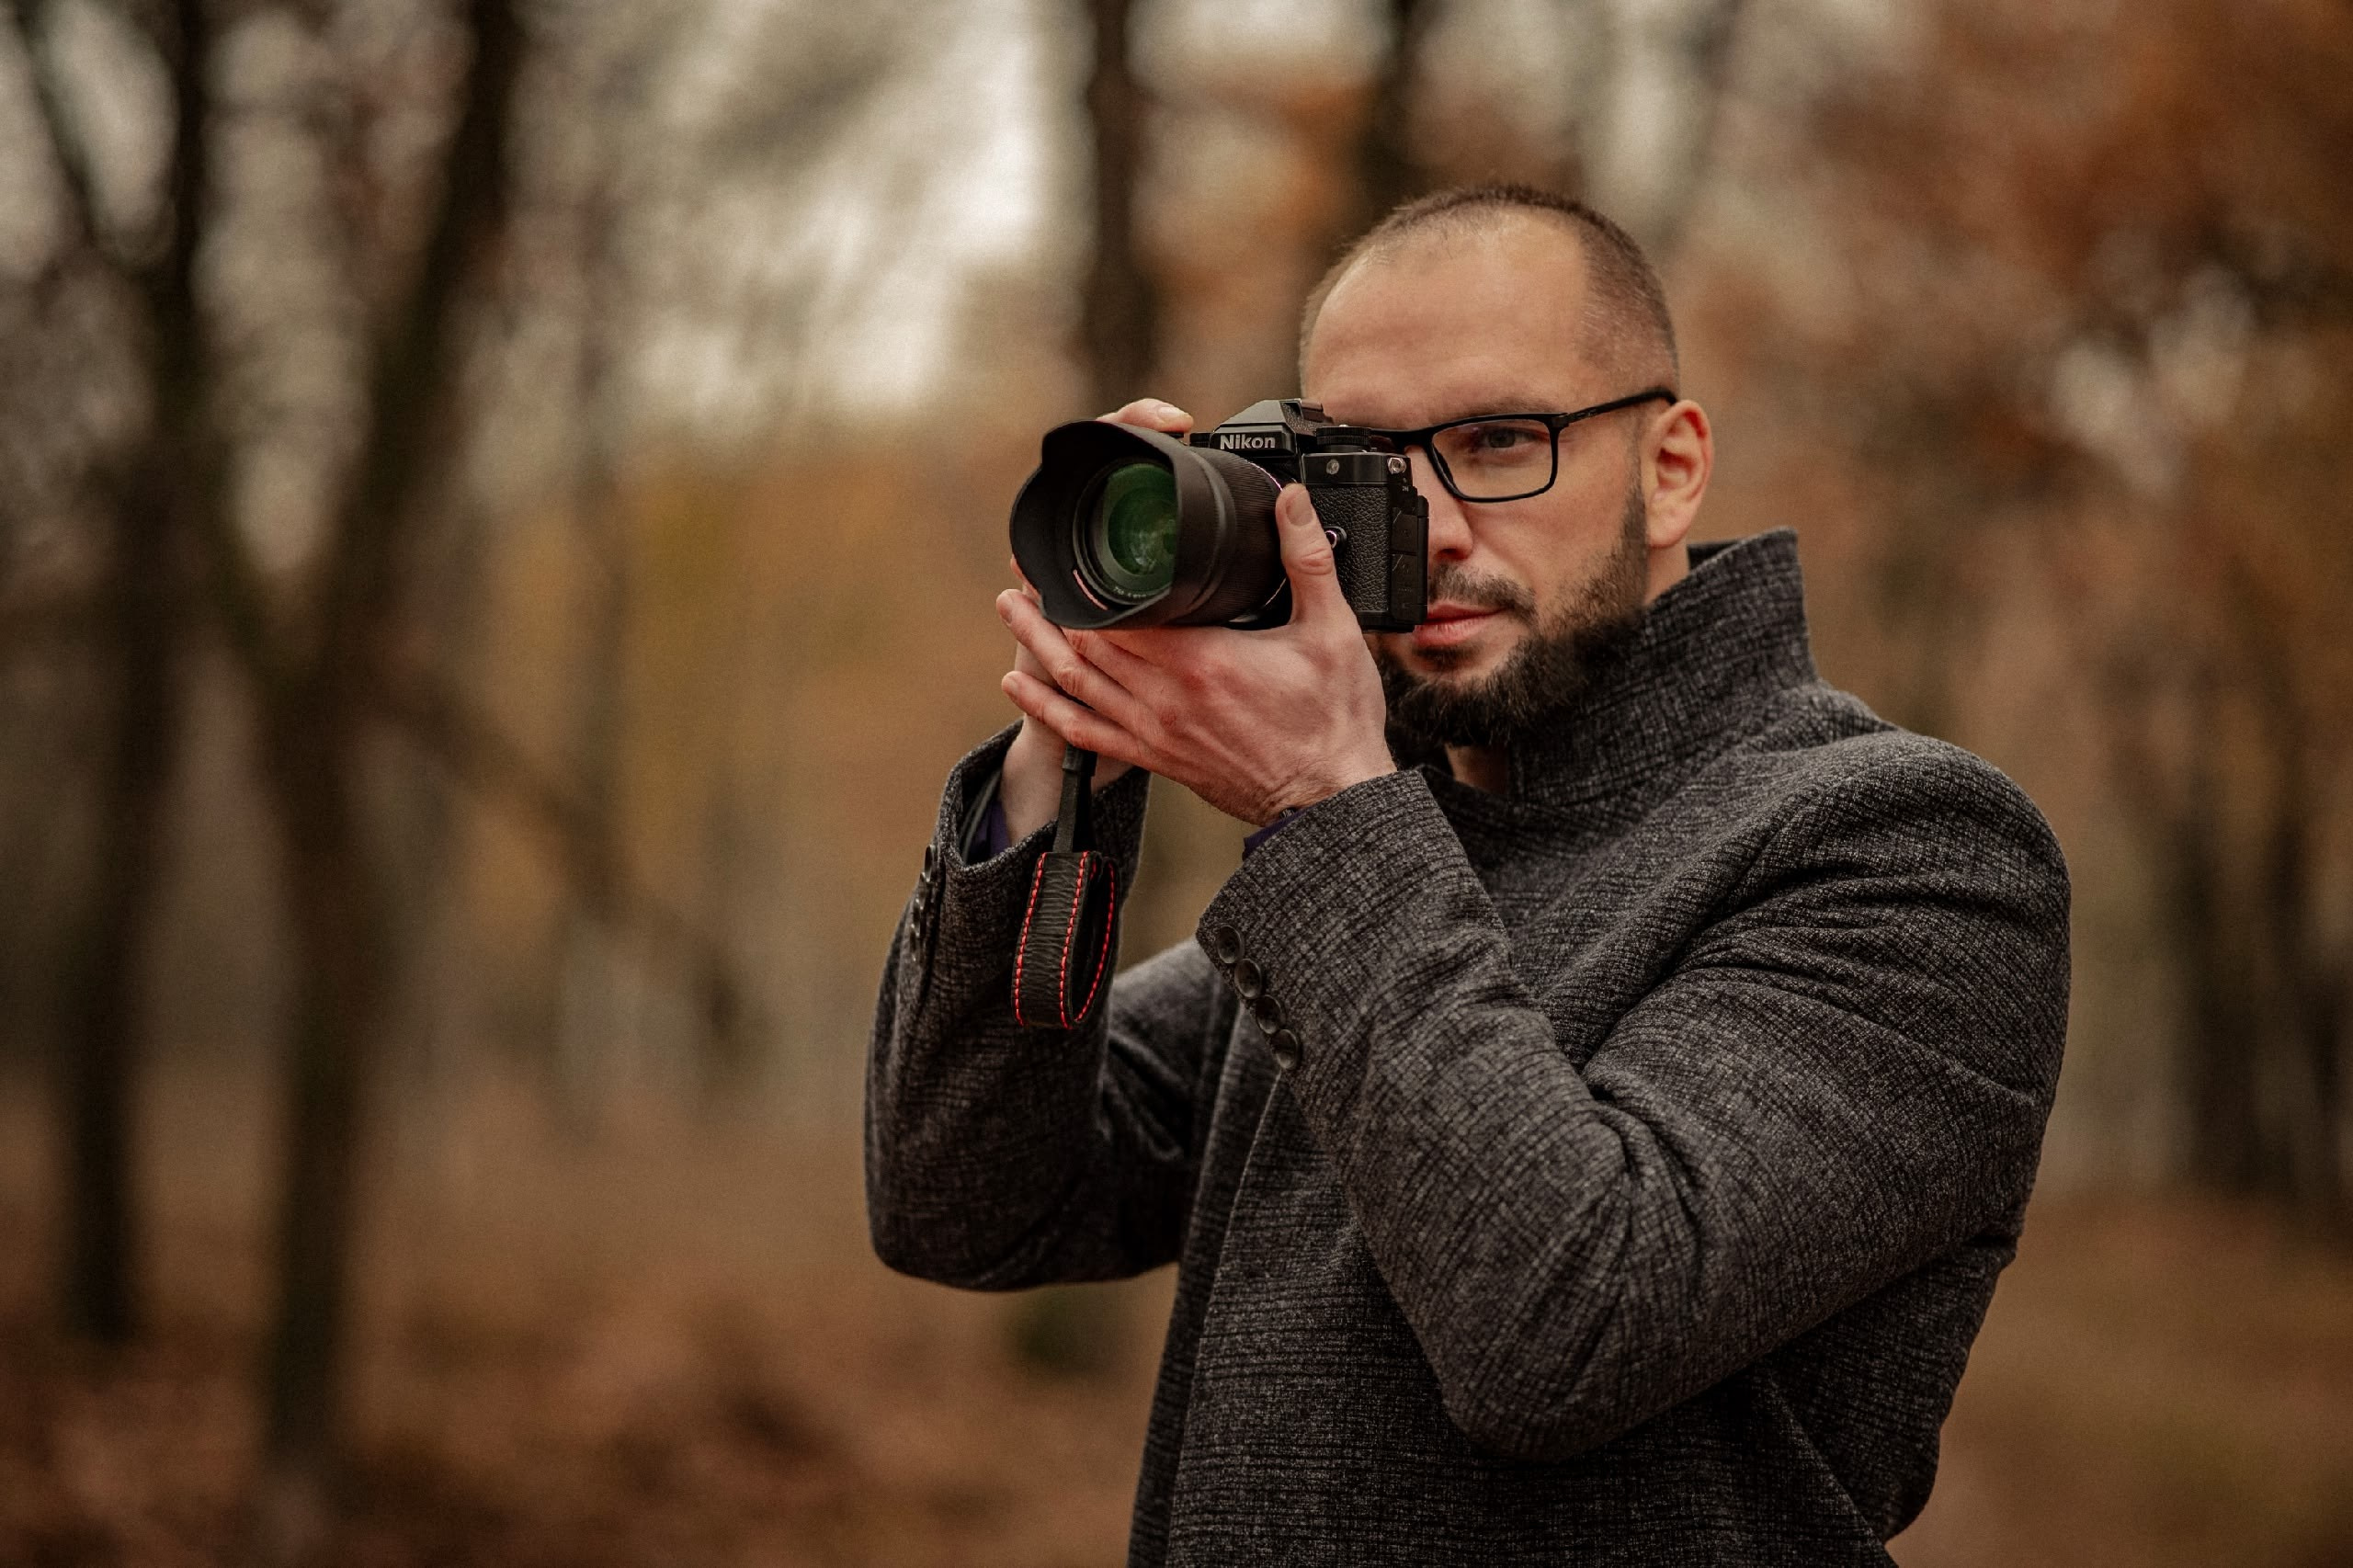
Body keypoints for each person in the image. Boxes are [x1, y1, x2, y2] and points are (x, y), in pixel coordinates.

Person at [866, 184, 2070, 1566]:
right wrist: (1061, 756)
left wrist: (1321, 797)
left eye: (1500, 441)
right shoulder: (1385, 853)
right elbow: (966, 1203)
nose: (1428, 527)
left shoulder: (1910, 849)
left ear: (1671, 465)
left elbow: (1564, 1328)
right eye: (1364, 462)